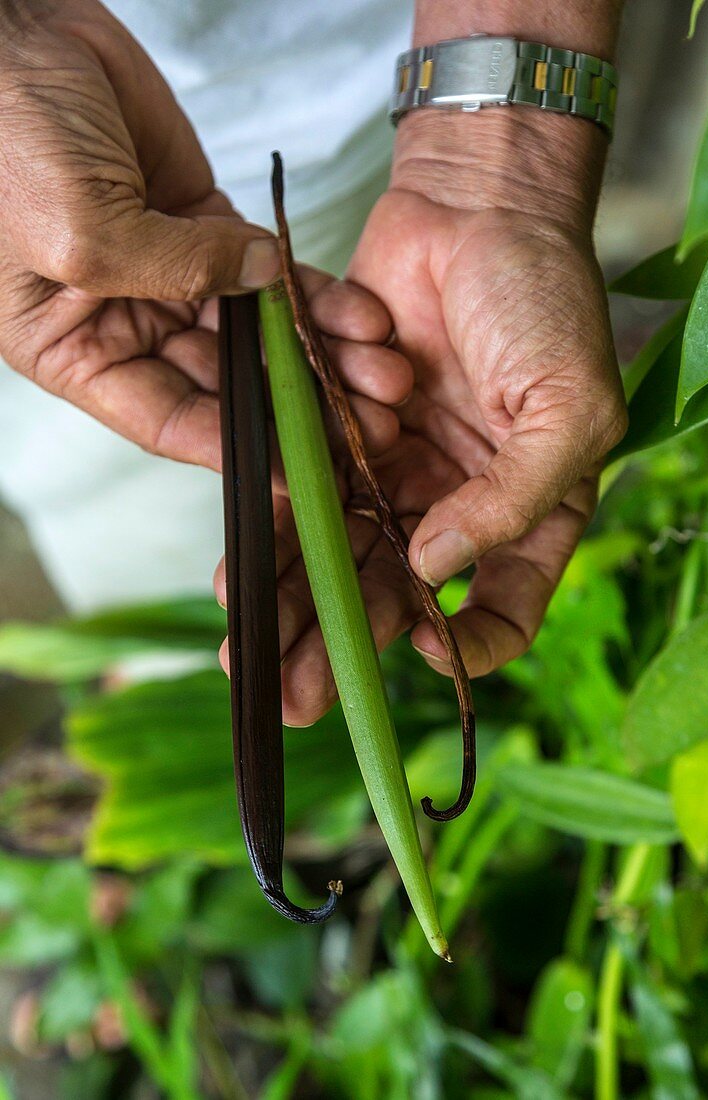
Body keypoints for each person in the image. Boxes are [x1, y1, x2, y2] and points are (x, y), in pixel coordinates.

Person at [0, 0, 627, 725]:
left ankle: (142, 680)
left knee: (166, 507)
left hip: (346, 111)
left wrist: (493, 167)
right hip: (60, 170)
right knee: (77, 477)